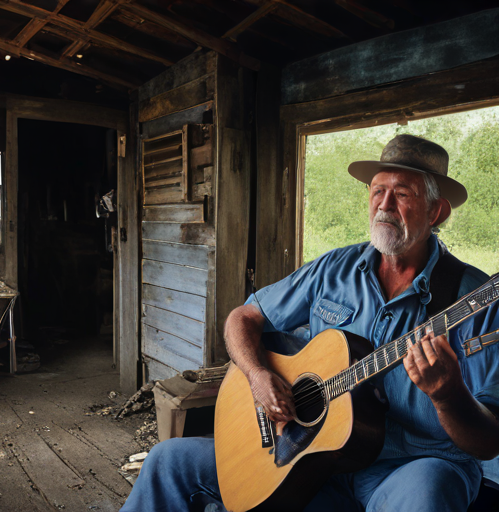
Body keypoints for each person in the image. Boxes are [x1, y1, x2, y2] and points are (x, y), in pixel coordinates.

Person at [120, 134, 499, 512]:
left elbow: (488, 441)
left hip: (409, 467)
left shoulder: (473, 300)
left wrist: (448, 396)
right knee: (167, 462)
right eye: (377, 190)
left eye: (402, 194)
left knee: (427, 494)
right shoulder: (334, 269)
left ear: (436, 212)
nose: (383, 205)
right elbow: (244, 317)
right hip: (312, 458)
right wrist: (257, 376)